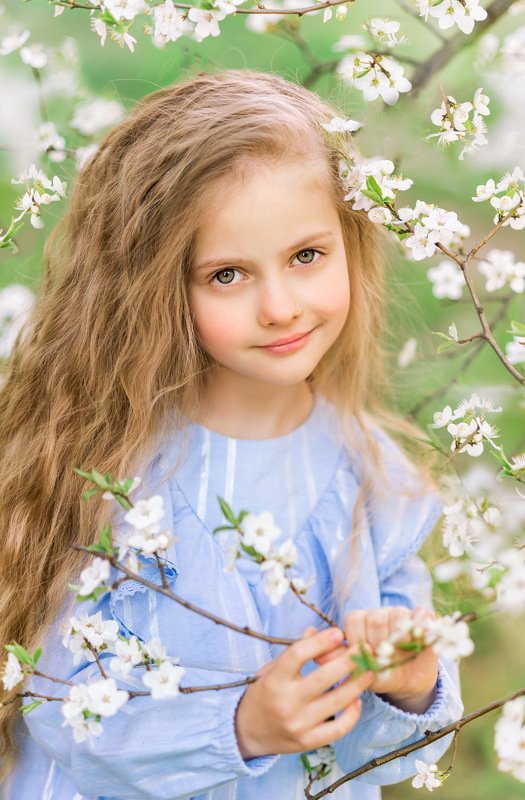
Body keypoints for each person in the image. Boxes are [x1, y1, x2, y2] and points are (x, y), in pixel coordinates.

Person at [0, 70, 463, 800]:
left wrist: (409, 681)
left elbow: (398, 750)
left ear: (350, 244)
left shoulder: (377, 477)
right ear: (158, 287)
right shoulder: (114, 474)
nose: (279, 306)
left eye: (306, 257)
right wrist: (239, 726)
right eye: (226, 275)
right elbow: (63, 710)